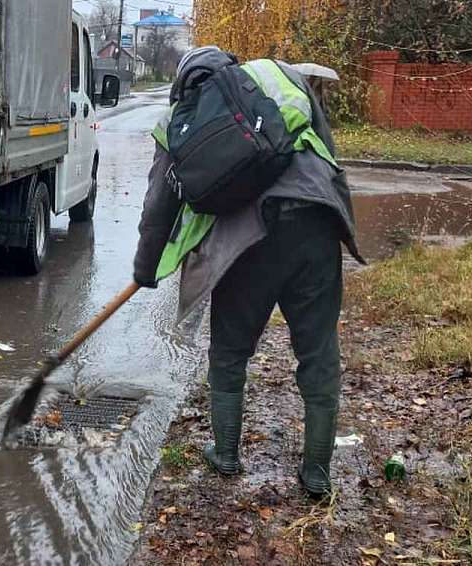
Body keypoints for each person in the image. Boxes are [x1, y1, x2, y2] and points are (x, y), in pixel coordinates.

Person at [133, 47, 364, 497]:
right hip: (314, 226)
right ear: (231, 68)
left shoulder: (178, 121)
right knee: (318, 354)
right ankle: (316, 471)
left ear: (183, 85)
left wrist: (146, 269)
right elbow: (328, 152)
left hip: (244, 246)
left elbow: (159, 206)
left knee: (229, 354)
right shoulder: (280, 76)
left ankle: (226, 455)